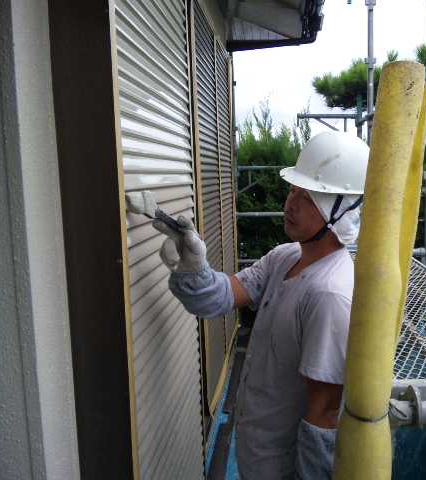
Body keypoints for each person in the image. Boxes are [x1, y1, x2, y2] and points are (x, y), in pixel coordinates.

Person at [152, 131, 369, 479]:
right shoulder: (284, 258)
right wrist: (192, 268)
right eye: (293, 191)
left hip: (281, 468)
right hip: (255, 452)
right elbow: (219, 298)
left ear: (341, 210)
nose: (290, 204)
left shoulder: (330, 294)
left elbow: (324, 412)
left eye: (308, 197)